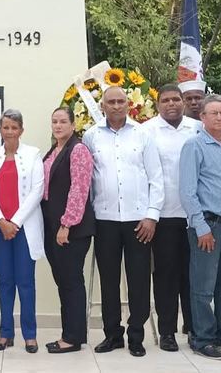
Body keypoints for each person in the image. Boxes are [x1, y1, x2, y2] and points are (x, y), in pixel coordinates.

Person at [82, 86, 164, 357]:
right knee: (109, 280)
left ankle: (136, 336)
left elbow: (156, 177)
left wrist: (152, 215)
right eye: (111, 102)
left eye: (121, 101)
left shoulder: (143, 134)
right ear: (102, 106)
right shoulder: (91, 136)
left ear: (128, 105)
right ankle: (112, 334)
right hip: (105, 220)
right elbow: (86, 180)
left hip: (138, 221)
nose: (116, 106)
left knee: (139, 279)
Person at [180, 94, 221, 360]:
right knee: (203, 285)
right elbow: (187, 190)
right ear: (202, 117)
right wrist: (200, 225)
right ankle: (202, 338)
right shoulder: (194, 146)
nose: (220, 117)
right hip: (208, 225)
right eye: (213, 113)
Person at [141, 84, 200, 351]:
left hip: (194, 216)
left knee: (193, 275)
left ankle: (195, 327)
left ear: (183, 102)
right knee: (165, 275)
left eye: (176, 99)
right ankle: (167, 331)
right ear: (158, 104)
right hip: (163, 215)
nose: (172, 104)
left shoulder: (196, 128)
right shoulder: (147, 131)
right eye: (165, 100)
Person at [0, 109, 44, 354]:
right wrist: (1, 221)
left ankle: (29, 335)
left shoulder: (33, 155)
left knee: (26, 283)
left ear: (21, 130)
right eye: (5, 127)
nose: (9, 131)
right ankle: (5, 334)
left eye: (14, 127)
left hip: (24, 229)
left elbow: (37, 191)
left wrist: (15, 223)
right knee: (5, 283)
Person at [42, 107, 94, 354]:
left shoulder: (78, 150)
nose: (58, 125)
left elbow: (79, 189)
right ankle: (70, 333)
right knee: (63, 281)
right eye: (54, 121)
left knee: (71, 281)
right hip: (53, 227)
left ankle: (72, 338)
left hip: (71, 229)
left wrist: (66, 224)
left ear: (73, 125)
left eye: (63, 121)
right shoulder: (54, 150)